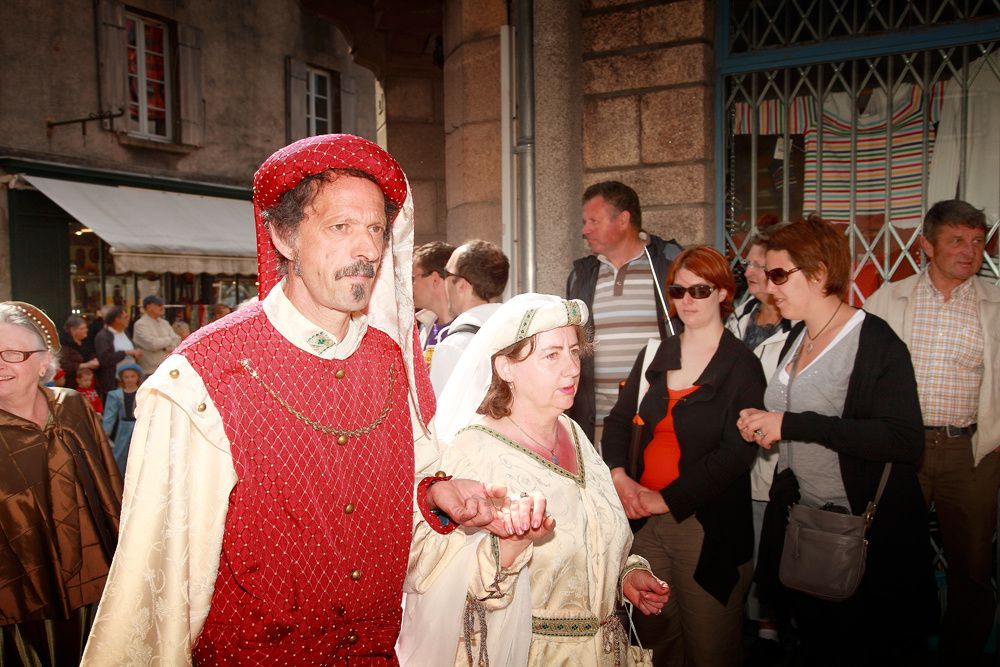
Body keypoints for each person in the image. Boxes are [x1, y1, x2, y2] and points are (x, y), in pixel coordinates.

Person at [82, 134, 519, 665]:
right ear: (284, 236)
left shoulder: (389, 362)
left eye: (376, 229)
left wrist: (436, 494)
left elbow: (403, 497)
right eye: (341, 227)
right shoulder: (200, 378)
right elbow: (156, 592)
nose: (368, 250)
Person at [400, 294, 670, 666]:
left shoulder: (575, 435)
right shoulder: (472, 452)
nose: (573, 368)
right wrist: (510, 546)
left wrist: (625, 575)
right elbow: (437, 582)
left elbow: (594, 532)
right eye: (551, 355)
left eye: (575, 352)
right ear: (505, 367)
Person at [738, 215, 937, 666]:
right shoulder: (799, 337)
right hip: (810, 529)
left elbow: (904, 440)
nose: (771, 288)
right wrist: (763, 421)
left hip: (863, 534)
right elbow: (799, 416)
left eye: (779, 275)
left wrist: (790, 424)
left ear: (820, 272)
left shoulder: (875, 342)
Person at [603, 245, 765, 667]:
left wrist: (666, 499)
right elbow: (619, 422)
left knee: (710, 647)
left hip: (705, 527)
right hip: (643, 521)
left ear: (723, 294)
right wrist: (620, 476)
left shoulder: (741, 365)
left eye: (700, 290)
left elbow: (735, 455)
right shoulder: (656, 353)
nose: (687, 301)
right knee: (653, 643)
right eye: (678, 290)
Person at [864, 199, 999, 664]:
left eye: (978, 241)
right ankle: (900, 647)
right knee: (893, 558)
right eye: (957, 240)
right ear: (926, 245)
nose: (970, 251)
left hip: (973, 452)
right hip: (904, 450)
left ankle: (962, 653)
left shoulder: (995, 304)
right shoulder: (888, 298)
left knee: (974, 564)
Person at [0, 301, 122, 665]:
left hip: (91, 581)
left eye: (12, 353)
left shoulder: (72, 406)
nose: (0, 363)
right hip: (18, 601)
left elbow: (107, 483)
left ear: (43, 363)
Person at [567, 180, 683, 446]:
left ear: (623, 220)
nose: (585, 230)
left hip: (658, 420)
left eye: (593, 221)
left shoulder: (668, 264)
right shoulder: (581, 275)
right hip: (597, 424)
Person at [725, 220, 792, 663]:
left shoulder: (798, 332)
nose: (749, 270)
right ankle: (743, 625)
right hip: (734, 459)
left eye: (760, 265)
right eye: (747, 261)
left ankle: (770, 628)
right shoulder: (738, 319)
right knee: (739, 544)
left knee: (774, 545)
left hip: (774, 460)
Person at [429, 240, 509, 394]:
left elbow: (441, 415)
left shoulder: (453, 347)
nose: (443, 281)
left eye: (446, 274)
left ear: (461, 285)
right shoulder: (522, 333)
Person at [412, 241, 455, 354]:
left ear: (435, 280)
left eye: (413, 279)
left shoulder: (468, 331)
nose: (410, 286)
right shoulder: (426, 326)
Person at [102, 361, 144, 475]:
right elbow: (110, 414)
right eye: (126, 377)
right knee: (120, 453)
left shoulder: (143, 393)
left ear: (138, 377)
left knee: (140, 452)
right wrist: (106, 431)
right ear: (121, 378)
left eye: (132, 376)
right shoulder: (115, 395)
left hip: (140, 427)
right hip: (123, 427)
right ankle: (119, 479)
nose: (130, 379)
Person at [93, 306, 141, 401]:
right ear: (117, 319)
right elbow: (105, 359)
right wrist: (126, 353)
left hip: (130, 379)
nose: (128, 319)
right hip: (114, 380)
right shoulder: (103, 336)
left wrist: (136, 353)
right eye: (125, 317)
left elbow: (131, 349)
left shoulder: (125, 332)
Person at [132, 295, 181, 375]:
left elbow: (177, 339)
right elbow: (152, 344)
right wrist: (169, 340)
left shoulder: (164, 323)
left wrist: (163, 345)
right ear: (149, 307)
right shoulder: (140, 324)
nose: (162, 307)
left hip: (167, 368)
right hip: (150, 371)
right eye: (159, 305)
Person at [59, 314, 100, 390]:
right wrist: (86, 365)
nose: (86, 330)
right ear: (72, 330)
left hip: (89, 383)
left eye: (86, 327)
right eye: (82, 328)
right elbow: (64, 365)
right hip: (73, 385)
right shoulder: (64, 345)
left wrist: (95, 360)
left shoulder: (86, 341)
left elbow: (91, 354)